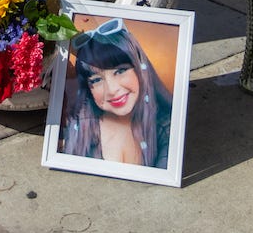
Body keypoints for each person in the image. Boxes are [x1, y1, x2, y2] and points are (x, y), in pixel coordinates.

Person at [60, 18, 172, 168]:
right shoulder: (79, 131)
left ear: (140, 68)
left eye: (120, 71)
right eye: (96, 80)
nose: (112, 90)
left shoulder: (168, 128)